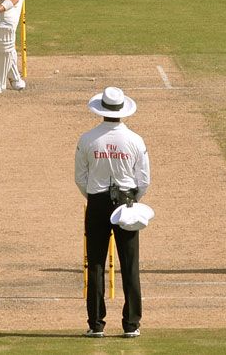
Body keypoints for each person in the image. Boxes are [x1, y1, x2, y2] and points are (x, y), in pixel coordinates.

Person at [74, 87, 150, 339]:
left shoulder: (87, 139)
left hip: (96, 202)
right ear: (122, 112)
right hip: (127, 202)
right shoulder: (135, 140)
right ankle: (131, 324)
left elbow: (80, 178)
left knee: (95, 263)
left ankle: (96, 324)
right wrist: (132, 199)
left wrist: (95, 198)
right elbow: (144, 180)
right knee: (130, 265)